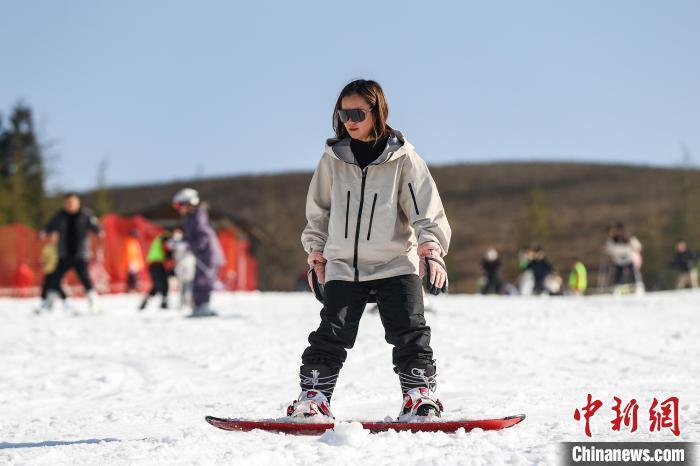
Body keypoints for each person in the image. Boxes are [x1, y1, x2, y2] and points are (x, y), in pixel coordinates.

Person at [289, 79, 451, 421]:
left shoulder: (403, 158)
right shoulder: (333, 159)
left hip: (395, 263)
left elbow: (425, 209)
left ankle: (419, 395)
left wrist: (431, 249)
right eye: (343, 113)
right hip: (344, 265)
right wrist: (316, 254)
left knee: (410, 330)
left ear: (377, 111)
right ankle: (314, 397)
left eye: (358, 112)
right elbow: (318, 212)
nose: (350, 120)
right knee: (331, 333)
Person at [40, 192, 102, 312]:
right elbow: (49, 226)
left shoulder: (85, 214)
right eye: (68, 202)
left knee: (85, 278)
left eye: (72, 202)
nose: (70, 205)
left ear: (77, 202)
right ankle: (49, 303)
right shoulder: (60, 215)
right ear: (64, 203)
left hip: (81, 254)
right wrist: (44, 232)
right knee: (55, 279)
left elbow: (95, 225)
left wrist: (98, 231)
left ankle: (93, 301)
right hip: (64, 254)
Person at [172, 188, 225, 317]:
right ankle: (199, 306)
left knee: (203, 280)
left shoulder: (197, 217)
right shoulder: (191, 217)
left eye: (180, 205)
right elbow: (192, 236)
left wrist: (188, 244)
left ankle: (203, 306)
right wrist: (181, 241)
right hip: (203, 254)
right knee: (198, 280)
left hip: (208, 254)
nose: (178, 208)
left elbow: (202, 238)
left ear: (190, 203)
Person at [605, 223, 644, 294]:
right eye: (618, 231)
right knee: (618, 275)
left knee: (632, 273)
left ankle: (636, 287)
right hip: (618, 260)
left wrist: (634, 248)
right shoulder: (613, 240)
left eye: (620, 231)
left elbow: (638, 246)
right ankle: (616, 288)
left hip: (628, 259)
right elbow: (608, 249)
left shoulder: (629, 238)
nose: (619, 233)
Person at [35, 232, 69, 312]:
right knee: (46, 286)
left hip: (57, 270)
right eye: (52, 237)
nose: (53, 239)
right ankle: (44, 302)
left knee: (57, 286)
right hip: (48, 270)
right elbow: (44, 259)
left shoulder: (60, 248)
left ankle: (65, 301)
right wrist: (43, 264)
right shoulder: (47, 248)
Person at [139, 230, 173, 310]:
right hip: (158, 264)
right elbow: (167, 251)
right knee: (163, 283)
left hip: (153, 265)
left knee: (157, 284)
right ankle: (163, 302)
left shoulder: (157, 240)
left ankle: (147, 301)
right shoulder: (163, 240)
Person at [169, 228, 197, 308]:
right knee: (181, 284)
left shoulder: (188, 241)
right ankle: (182, 302)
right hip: (180, 266)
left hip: (188, 265)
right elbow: (169, 245)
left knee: (189, 283)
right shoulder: (175, 242)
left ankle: (190, 301)